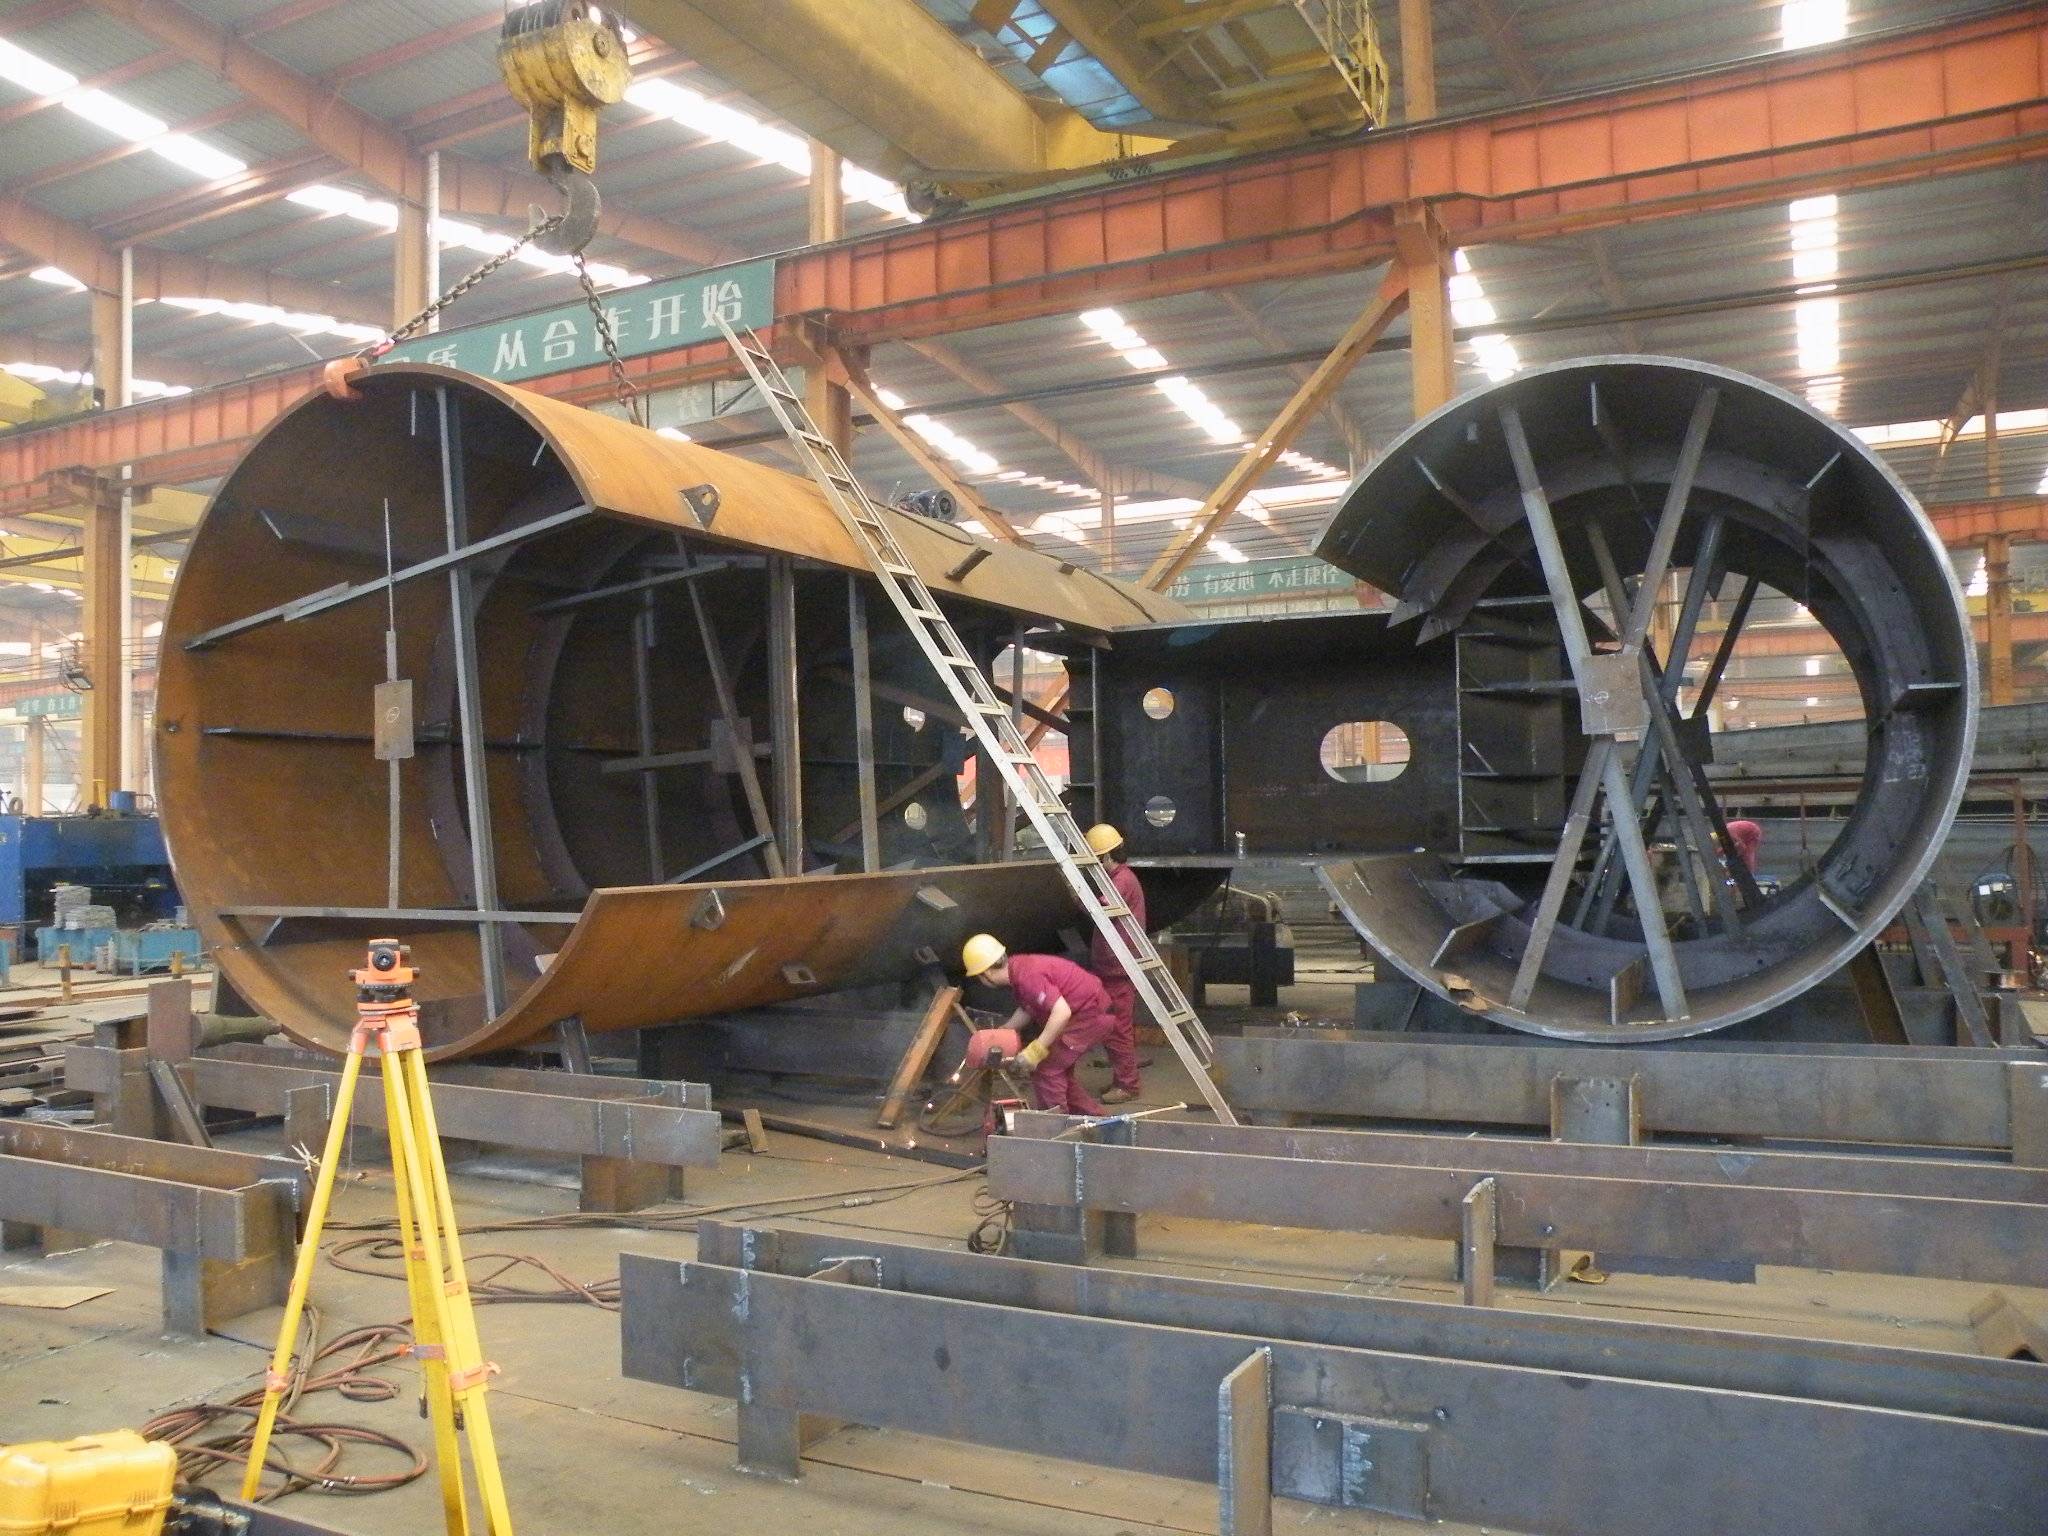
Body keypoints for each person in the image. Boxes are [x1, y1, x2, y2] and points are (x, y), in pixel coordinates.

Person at [960, 933, 1116, 1116]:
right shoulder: (1018, 968)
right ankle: (1094, 1118)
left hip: (1090, 1015)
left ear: (986, 973)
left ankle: (1055, 1124)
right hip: (1086, 1011)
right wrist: (1004, 1031)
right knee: (1059, 1070)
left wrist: (1036, 1050)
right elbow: (1028, 1007)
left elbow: (1061, 1012)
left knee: (1047, 1070)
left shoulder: (1027, 977)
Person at [1082, 822, 1144, 1104]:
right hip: (1113, 966)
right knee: (1113, 1027)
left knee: (1118, 1029)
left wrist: (1074, 891)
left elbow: (1100, 909)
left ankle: (1128, 1085)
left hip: (1118, 968)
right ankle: (1124, 1079)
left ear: (1107, 856)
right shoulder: (1121, 878)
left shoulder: (1122, 881)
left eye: (1097, 859)